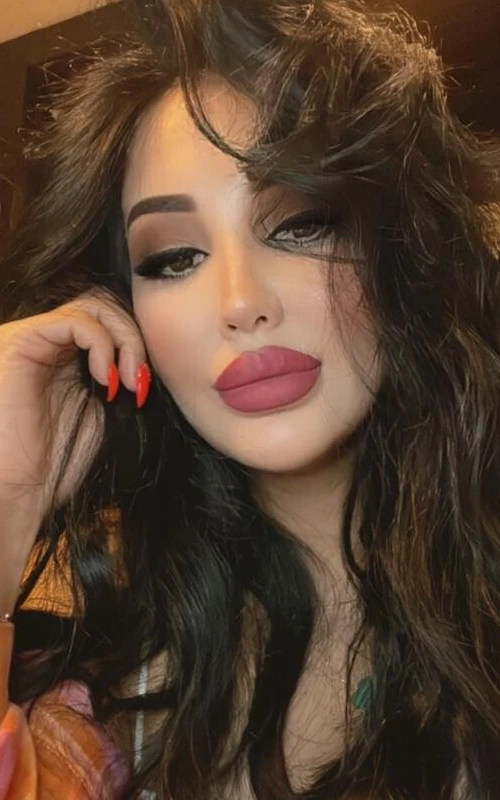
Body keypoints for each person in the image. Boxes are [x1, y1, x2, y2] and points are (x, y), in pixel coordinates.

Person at [0, 0, 499, 796]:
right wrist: (7, 498)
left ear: (404, 249)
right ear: (124, 313)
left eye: (303, 222)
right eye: (173, 257)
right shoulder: (110, 697)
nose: (239, 302)